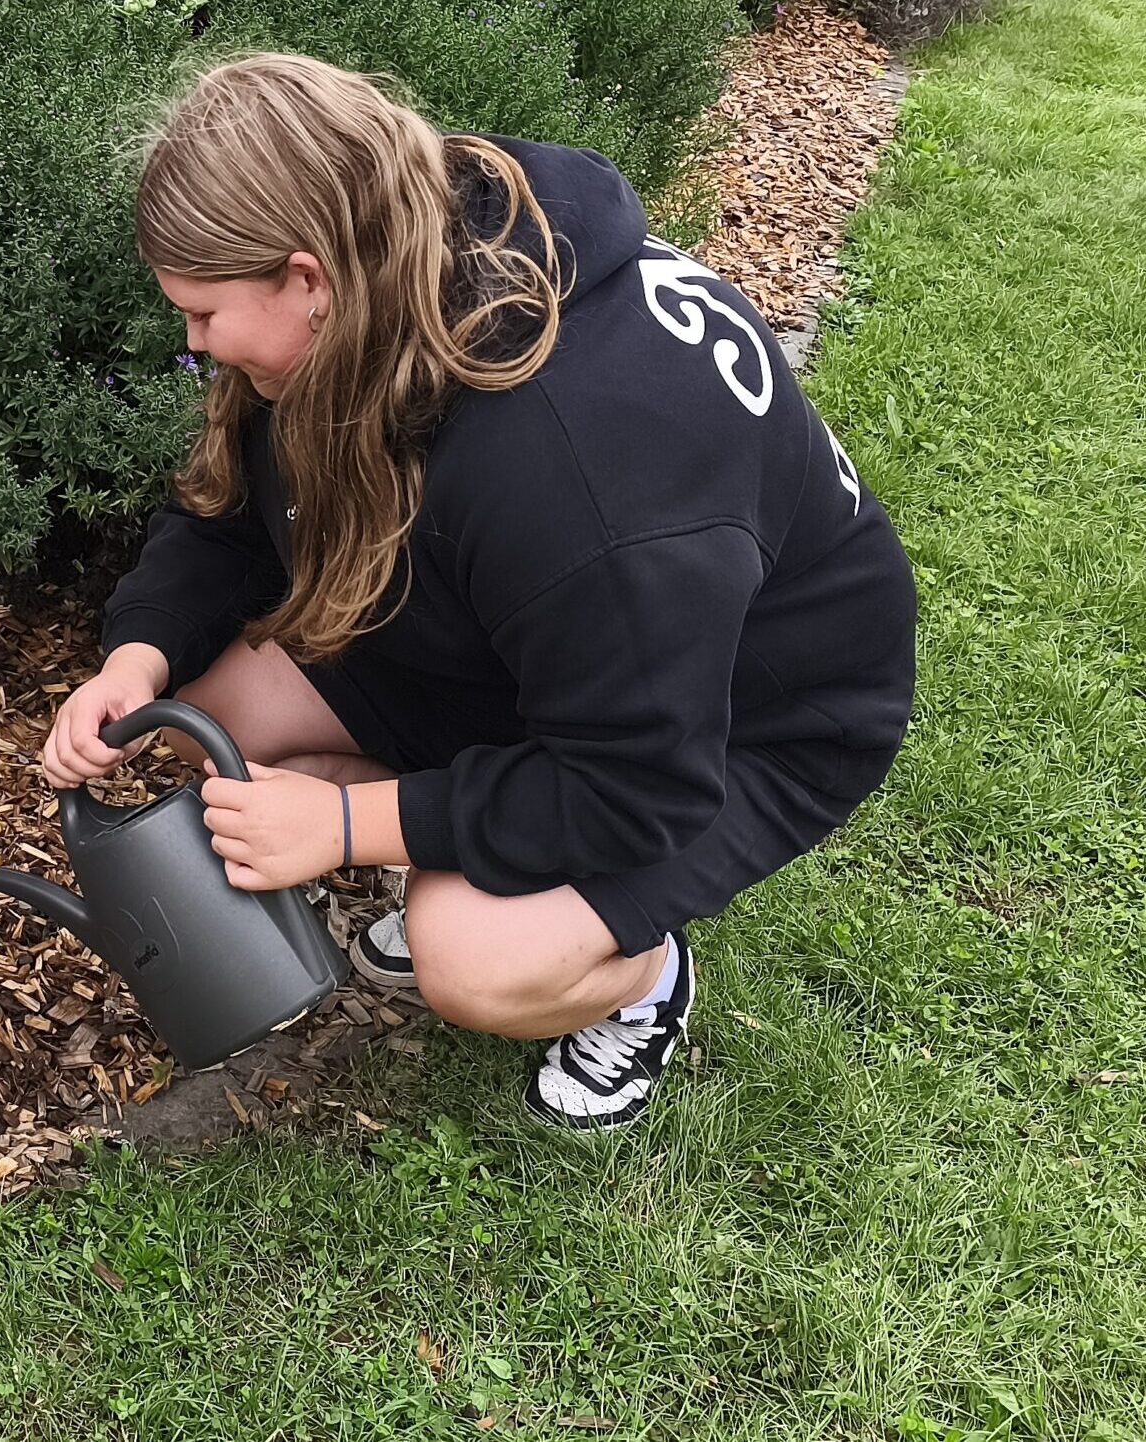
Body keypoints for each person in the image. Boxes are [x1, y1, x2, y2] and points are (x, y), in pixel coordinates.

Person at [45, 56, 916, 1130]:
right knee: (211, 719)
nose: (191, 342)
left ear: (306, 279)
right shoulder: (382, 279)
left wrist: (347, 820)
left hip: (742, 721)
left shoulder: (568, 466)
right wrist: (135, 657)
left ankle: (636, 980)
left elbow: (634, 783)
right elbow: (230, 513)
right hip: (554, 652)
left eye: (205, 311)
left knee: (473, 955)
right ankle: (484, 843)